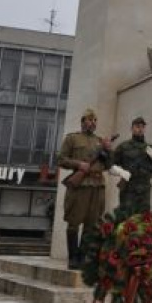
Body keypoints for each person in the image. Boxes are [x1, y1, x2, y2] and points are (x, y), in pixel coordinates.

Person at [57, 108, 113, 269]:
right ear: (82, 122)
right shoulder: (72, 139)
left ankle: (82, 257)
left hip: (97, 186)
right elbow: (61, 159)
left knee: (92, 223)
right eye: (89, 120)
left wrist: (108, 150)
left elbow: (108, 165)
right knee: (74, 221)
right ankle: (73, 257)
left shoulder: (100, 141)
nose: (92, 123)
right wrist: (78, 164)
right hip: (80, 186)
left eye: (95, 120)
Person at [110, 116, 152, 216]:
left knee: (143, 219)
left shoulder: (149, 148)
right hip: (129, 188)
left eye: (142, 127)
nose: (140, 129)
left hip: (145, 189)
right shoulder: (123, 146)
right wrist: (121, 172)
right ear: (132, 128)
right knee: (125, 216)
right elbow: (110, 165)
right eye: (137, 126)